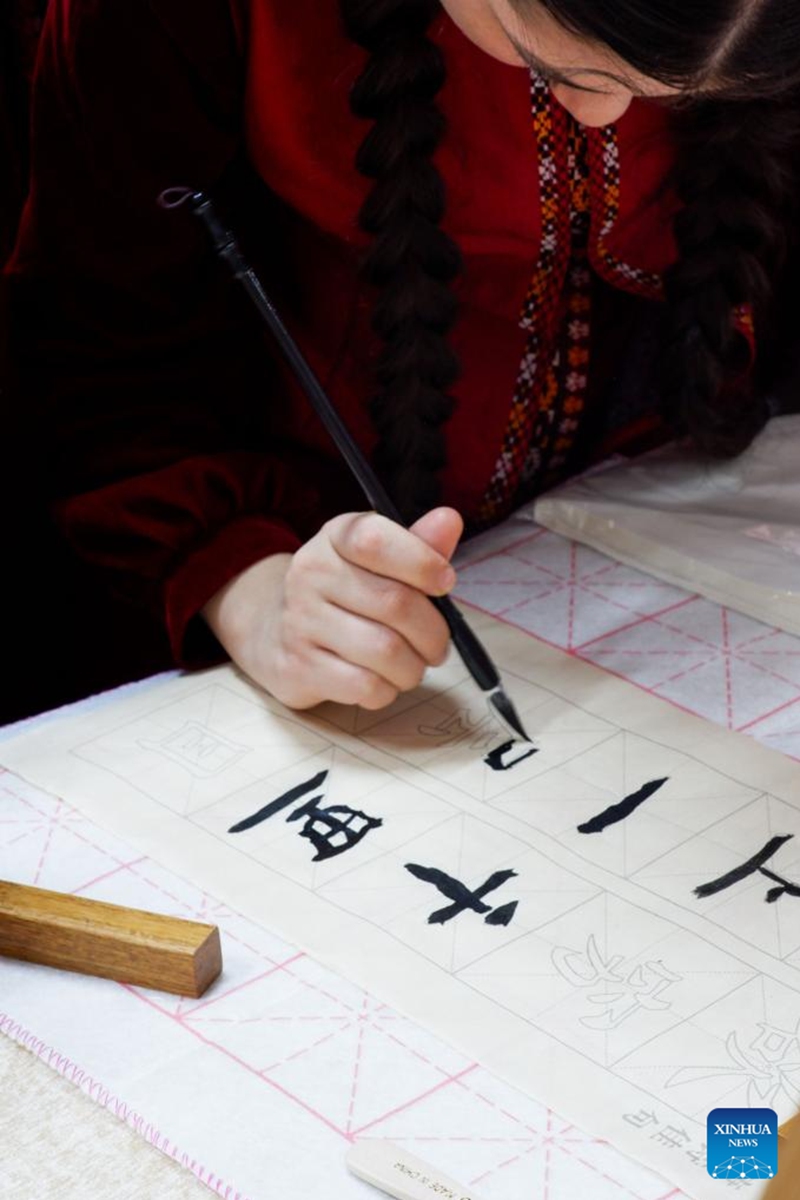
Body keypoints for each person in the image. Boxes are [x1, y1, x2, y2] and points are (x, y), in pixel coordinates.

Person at [4, 0, 800, 721]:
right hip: (297, 575)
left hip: (696, 544)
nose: (609, 115)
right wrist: (249, 590)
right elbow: (94, 340)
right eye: (564, 69)